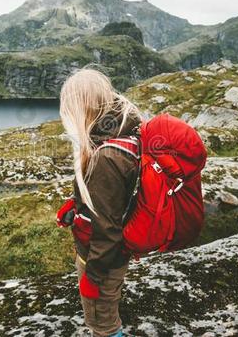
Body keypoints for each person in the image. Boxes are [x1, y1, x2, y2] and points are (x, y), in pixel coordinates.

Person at [56, 67, 142, 337]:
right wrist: (77, 204)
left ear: (81, 110)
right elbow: (114, 199)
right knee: (107, 306)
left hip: (103, 261)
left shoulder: (107, 158)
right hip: (114, 256)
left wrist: (93, 277)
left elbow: (106, 229)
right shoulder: (122, 133)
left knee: (102, 323)